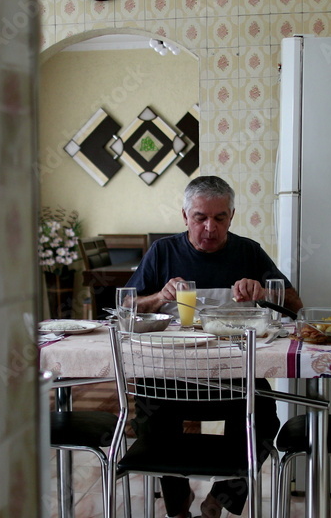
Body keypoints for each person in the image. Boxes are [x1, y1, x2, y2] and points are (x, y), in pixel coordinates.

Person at [125, 176, 303, 518]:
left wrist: (264, 293)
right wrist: (158, 296)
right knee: (148, 418)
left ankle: (220, 499)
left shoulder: (248, 251)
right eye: (200, 218)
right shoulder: (163, 251)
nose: (210, 227)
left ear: (232, 217)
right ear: (185, 216)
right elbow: (127, 306)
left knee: (265, 420)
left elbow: (297, 307)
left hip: (232, 379)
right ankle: (178, 505)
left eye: (219, 218)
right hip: (169, 377)